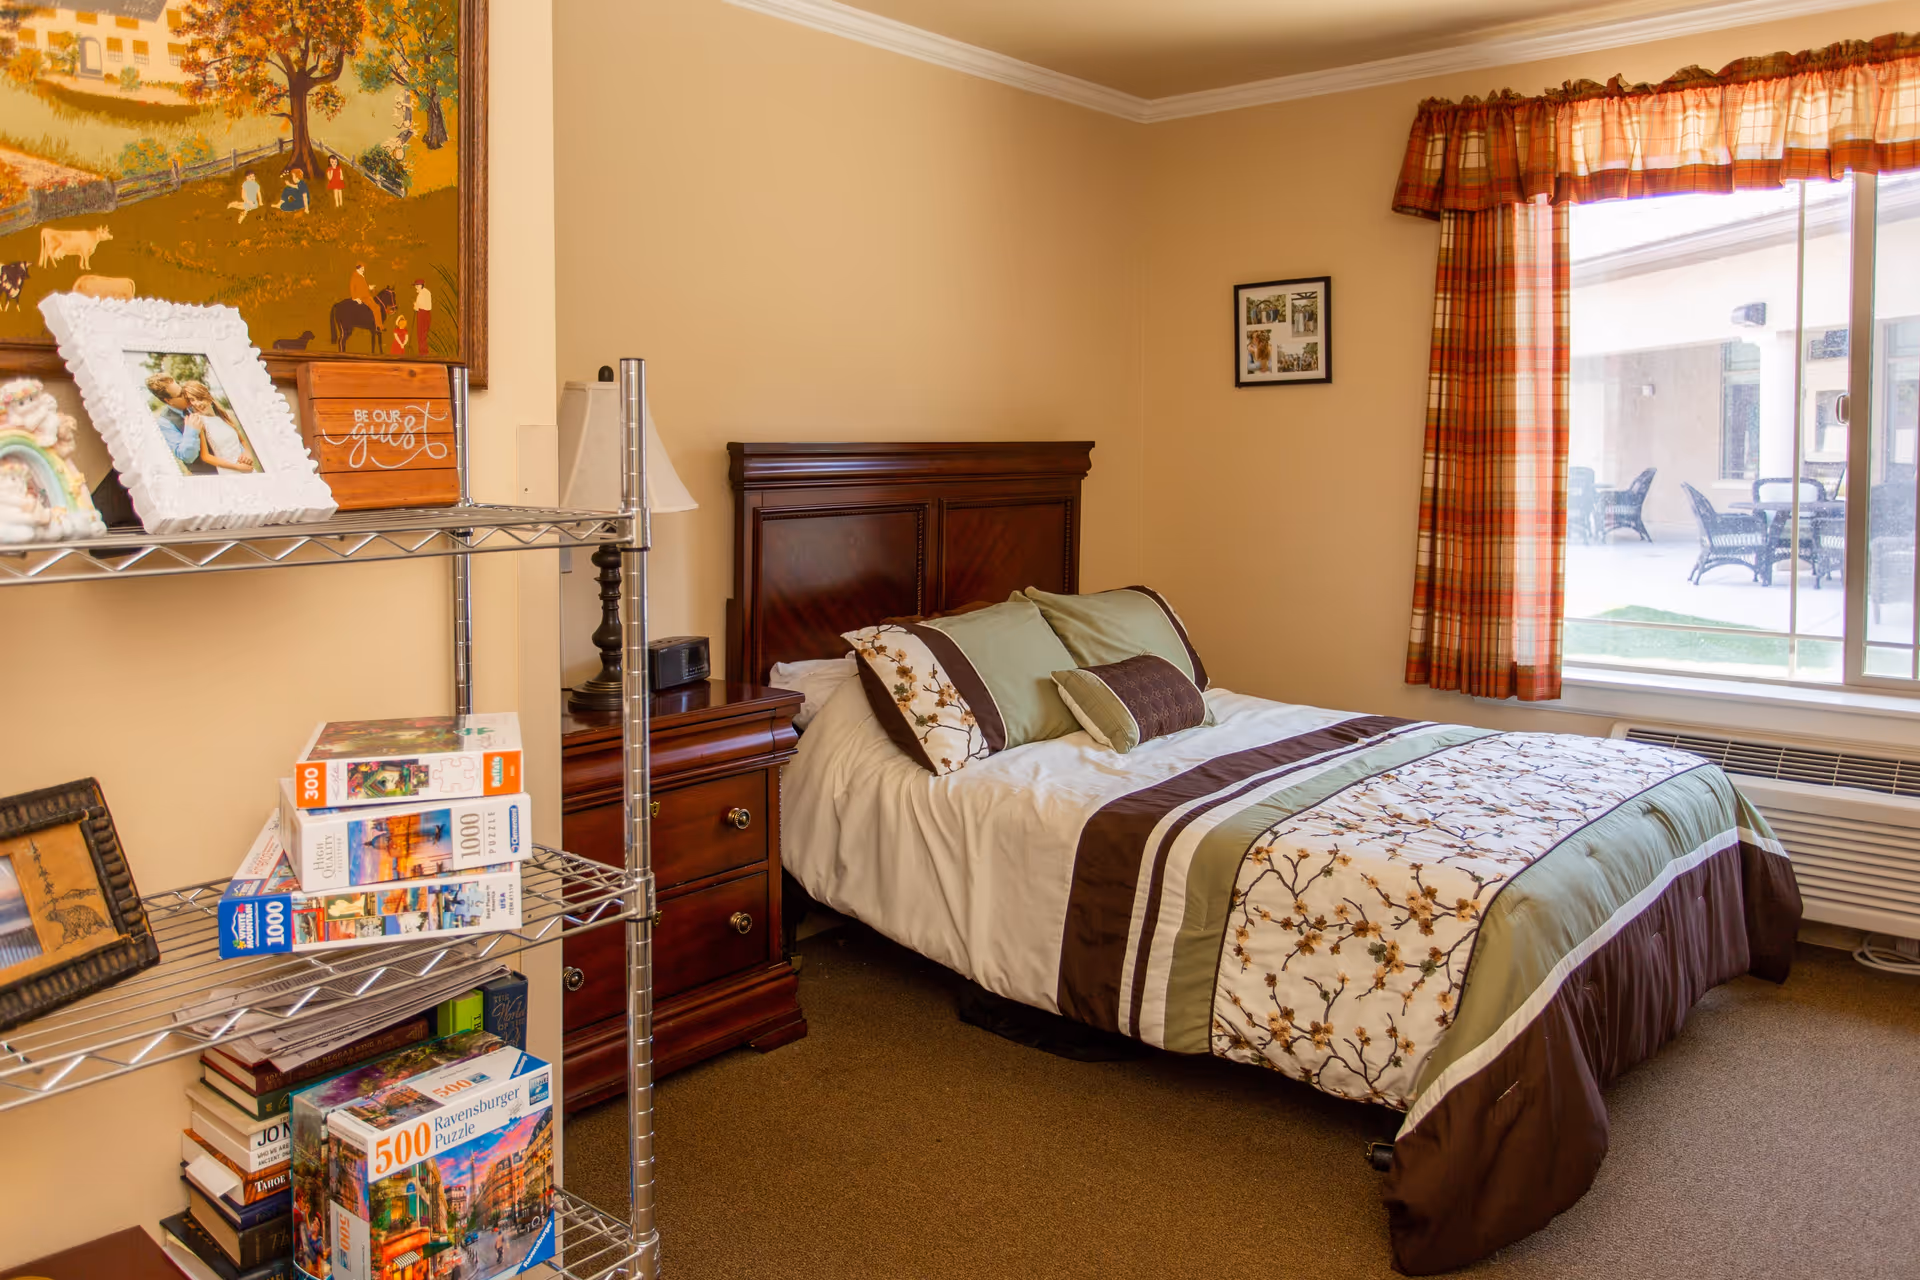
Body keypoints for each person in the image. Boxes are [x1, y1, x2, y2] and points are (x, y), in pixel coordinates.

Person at [144, 374, 214, 475]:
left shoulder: (194, 402)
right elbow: (187, 457)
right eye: (180, 394)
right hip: (206, 474)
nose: (185, 395)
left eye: (182, 389)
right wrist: (192, 431)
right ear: (169, 401)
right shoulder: (164, 422)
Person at [180, 380, 254, 471]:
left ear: (208, 396)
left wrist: (247, 454)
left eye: (199, 398)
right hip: (230, 471)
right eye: (192, 400)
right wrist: (238, 467)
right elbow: (206, 456)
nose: (197, 403)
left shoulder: (224, 416)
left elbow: (242, 441)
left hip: (246, 466)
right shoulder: (199, 420)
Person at [412, 277, 432, 353]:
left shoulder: (423, 294)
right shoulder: (425, 292)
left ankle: (423, 352)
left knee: (421, 334)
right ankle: (423, 352)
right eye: (415, 285)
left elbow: (421, 306)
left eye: (417, 285)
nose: (415, 287)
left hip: (423, 314)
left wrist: (415, 306)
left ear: (421, 285)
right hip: (423, 314)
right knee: (422, 335)